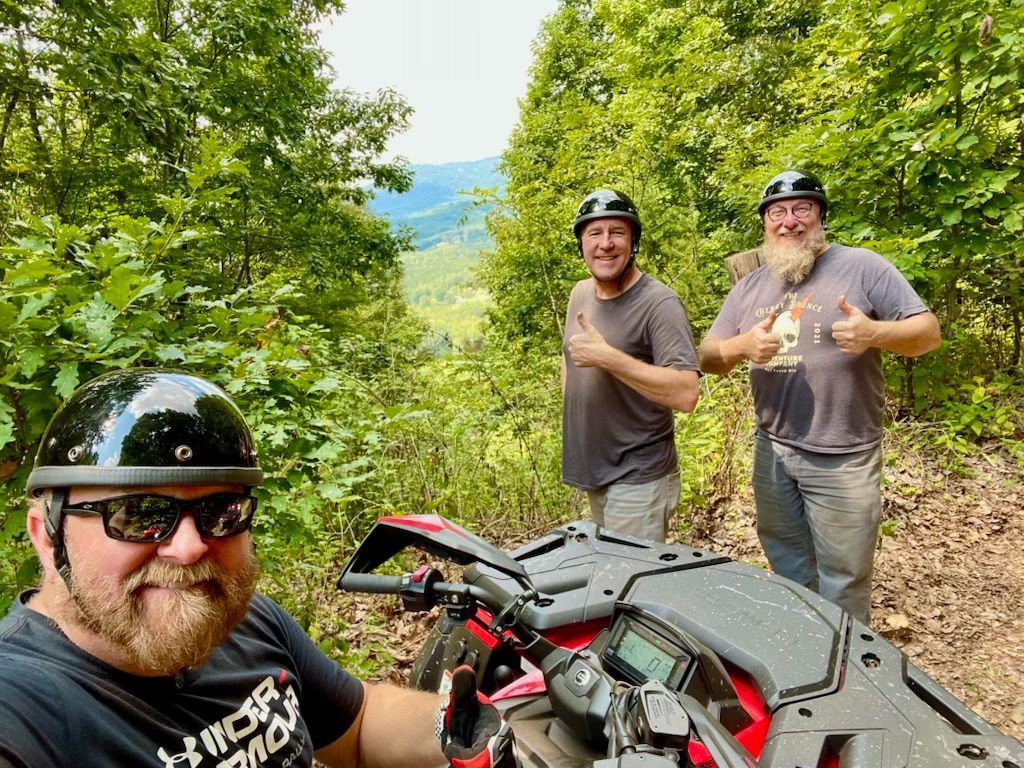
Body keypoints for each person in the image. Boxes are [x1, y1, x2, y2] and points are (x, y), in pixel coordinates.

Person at [0, 368, 516, 768]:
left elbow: (357, 728)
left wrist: (456, 727)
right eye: (139, 515)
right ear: (47, 534)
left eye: (220, 513)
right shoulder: (24, 707)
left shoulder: (237, 618)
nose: (189, 548)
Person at [698, 170, 941, 623]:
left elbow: (927, 334)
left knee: (843, 576)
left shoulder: (862, 267)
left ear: (820, 216)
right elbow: (709, 356)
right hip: (771, 448)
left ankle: (846, 674)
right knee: (788, 562)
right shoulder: (750, 285)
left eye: (801, 209)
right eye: (777, 213)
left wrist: (875, 333)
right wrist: (740, 346)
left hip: (843, 452)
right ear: (765, 224)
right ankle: (806, 642)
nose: (789, 221)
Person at [562, 189, 700, 543]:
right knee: (609, 579)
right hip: (596, 470)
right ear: (581, 243)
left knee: (630, 584)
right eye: (595, 233)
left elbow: (686, 393)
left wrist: (608, 357)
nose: (605, 244)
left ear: (633, 241)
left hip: (639, 477)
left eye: (617, 233)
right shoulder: (580, 294)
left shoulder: (659, 303)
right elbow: (570, 361)